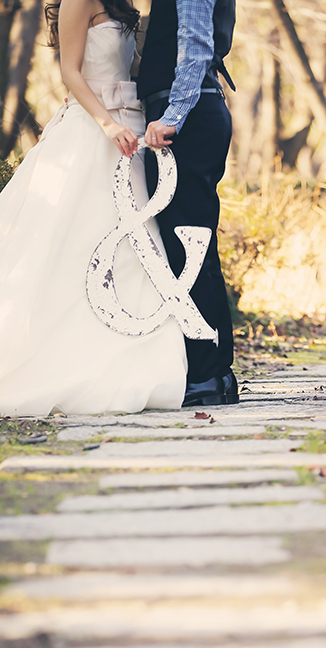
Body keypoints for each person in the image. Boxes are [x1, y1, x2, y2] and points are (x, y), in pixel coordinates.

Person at [0, 0, 190, 416]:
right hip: (94, 131)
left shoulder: (122, 7)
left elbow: (135, 68)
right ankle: (64, 362)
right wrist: (107, 123)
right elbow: (70, 71)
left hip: (132, 130)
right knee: (76, 241)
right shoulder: (77, 1)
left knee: (135, 250)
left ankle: (135, 366)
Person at [138, 0, 239, 407]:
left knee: (188, 248)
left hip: (187, 119)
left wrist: (172, 116)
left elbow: (195, 44)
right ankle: (215, 373)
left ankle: (206, 375)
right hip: (195, 115)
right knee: (196, 246)